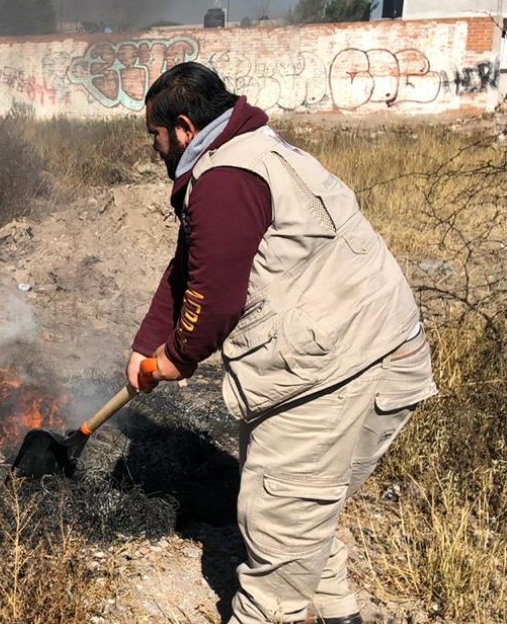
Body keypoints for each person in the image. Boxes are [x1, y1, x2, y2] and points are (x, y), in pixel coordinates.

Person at [127, 62, 438, 624]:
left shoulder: (224, 179)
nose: (154, 148)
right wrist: (147, 341)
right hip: (387, 353)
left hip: (332, 377)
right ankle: (339, 613)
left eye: (156, 135)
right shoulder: (259, 149)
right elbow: (192, 261)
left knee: (279, 532)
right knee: (306, 517)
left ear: (184, 128)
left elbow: (212, 298)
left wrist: (175, 356)